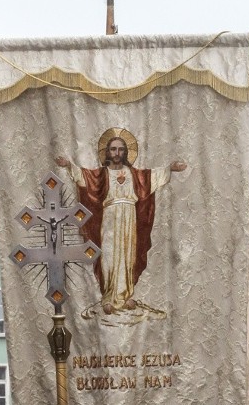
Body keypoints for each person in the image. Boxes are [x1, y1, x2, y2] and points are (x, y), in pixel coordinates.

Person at [56, 130, 187, 314]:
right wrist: (69, 165)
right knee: (109, 255)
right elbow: (85, 177)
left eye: (120, 149)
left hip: (129, 217)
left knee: (127, 254)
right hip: (110, 217)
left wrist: (169, 168)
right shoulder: (102, 174)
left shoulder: (133, 174)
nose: (116, 153)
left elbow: (151, 177)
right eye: (113, 149)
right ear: (107, 152)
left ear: (125, 152)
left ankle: (125, 295)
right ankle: (108, 297)